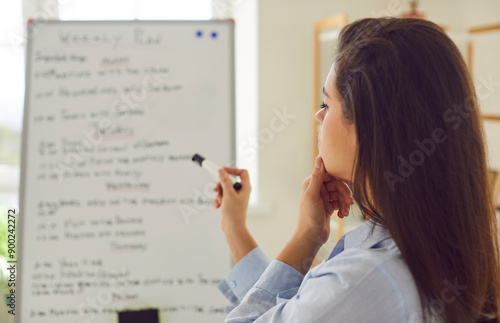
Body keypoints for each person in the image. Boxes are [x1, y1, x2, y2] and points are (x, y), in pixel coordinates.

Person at [211, 17, 500, 322]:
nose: (318, 116)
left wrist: (303, 238)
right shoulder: (432, 248)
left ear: (367, 127)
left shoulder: (366, 278)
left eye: (327, 103)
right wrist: (239, 227)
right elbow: (292, 309)